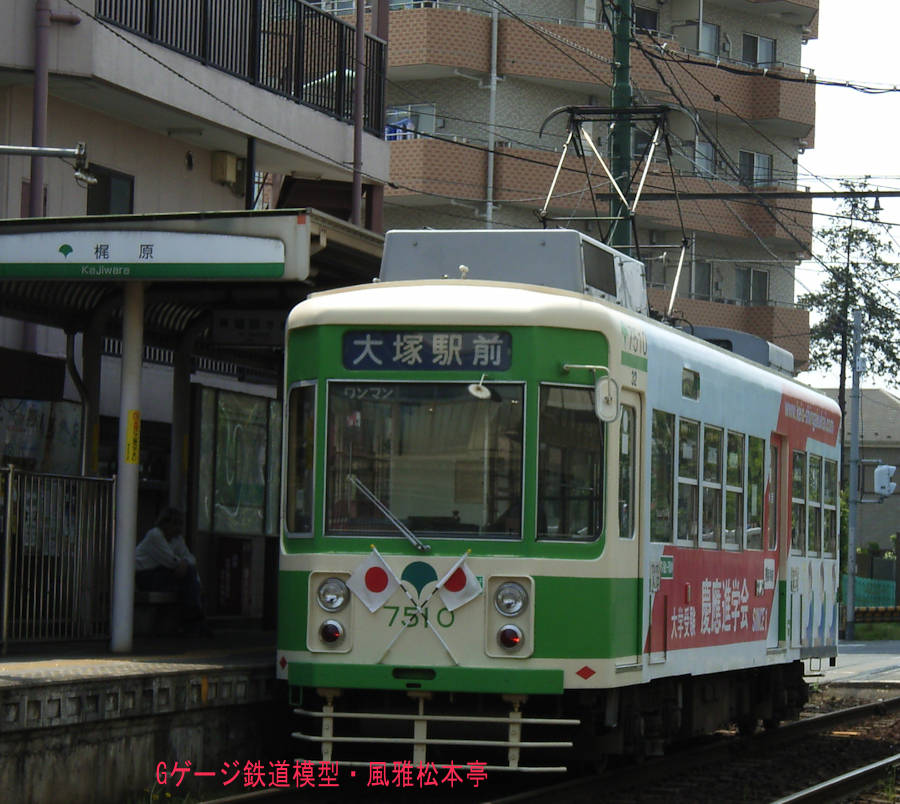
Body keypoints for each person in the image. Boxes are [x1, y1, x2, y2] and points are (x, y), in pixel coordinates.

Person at [135, 507, 210, 635]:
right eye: (175, 524)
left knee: (188, 577)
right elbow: (169, 560)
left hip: (162, 573)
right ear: (165, 523)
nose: (178, 528)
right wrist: (182, 563)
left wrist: (184, 563)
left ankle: (192, 619)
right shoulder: (155, 535)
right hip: (144, 576)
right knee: (189, 578)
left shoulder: (177, 539)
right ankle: (194, 618)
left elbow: (190, 558)